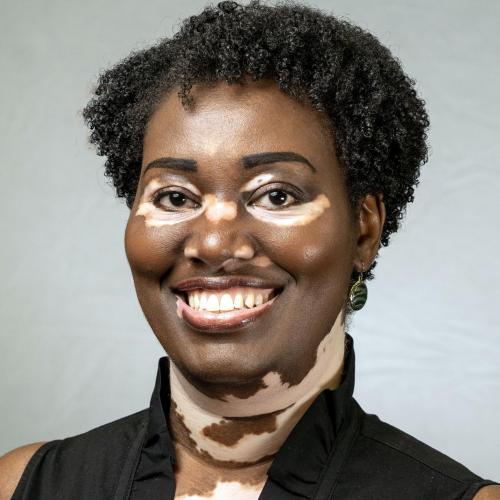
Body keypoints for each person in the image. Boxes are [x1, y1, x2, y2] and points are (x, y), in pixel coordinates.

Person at [0, 1, 498, 499]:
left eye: (277, 195)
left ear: (364, 231)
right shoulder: (24, 485)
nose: (215, 243)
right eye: (175, 198)